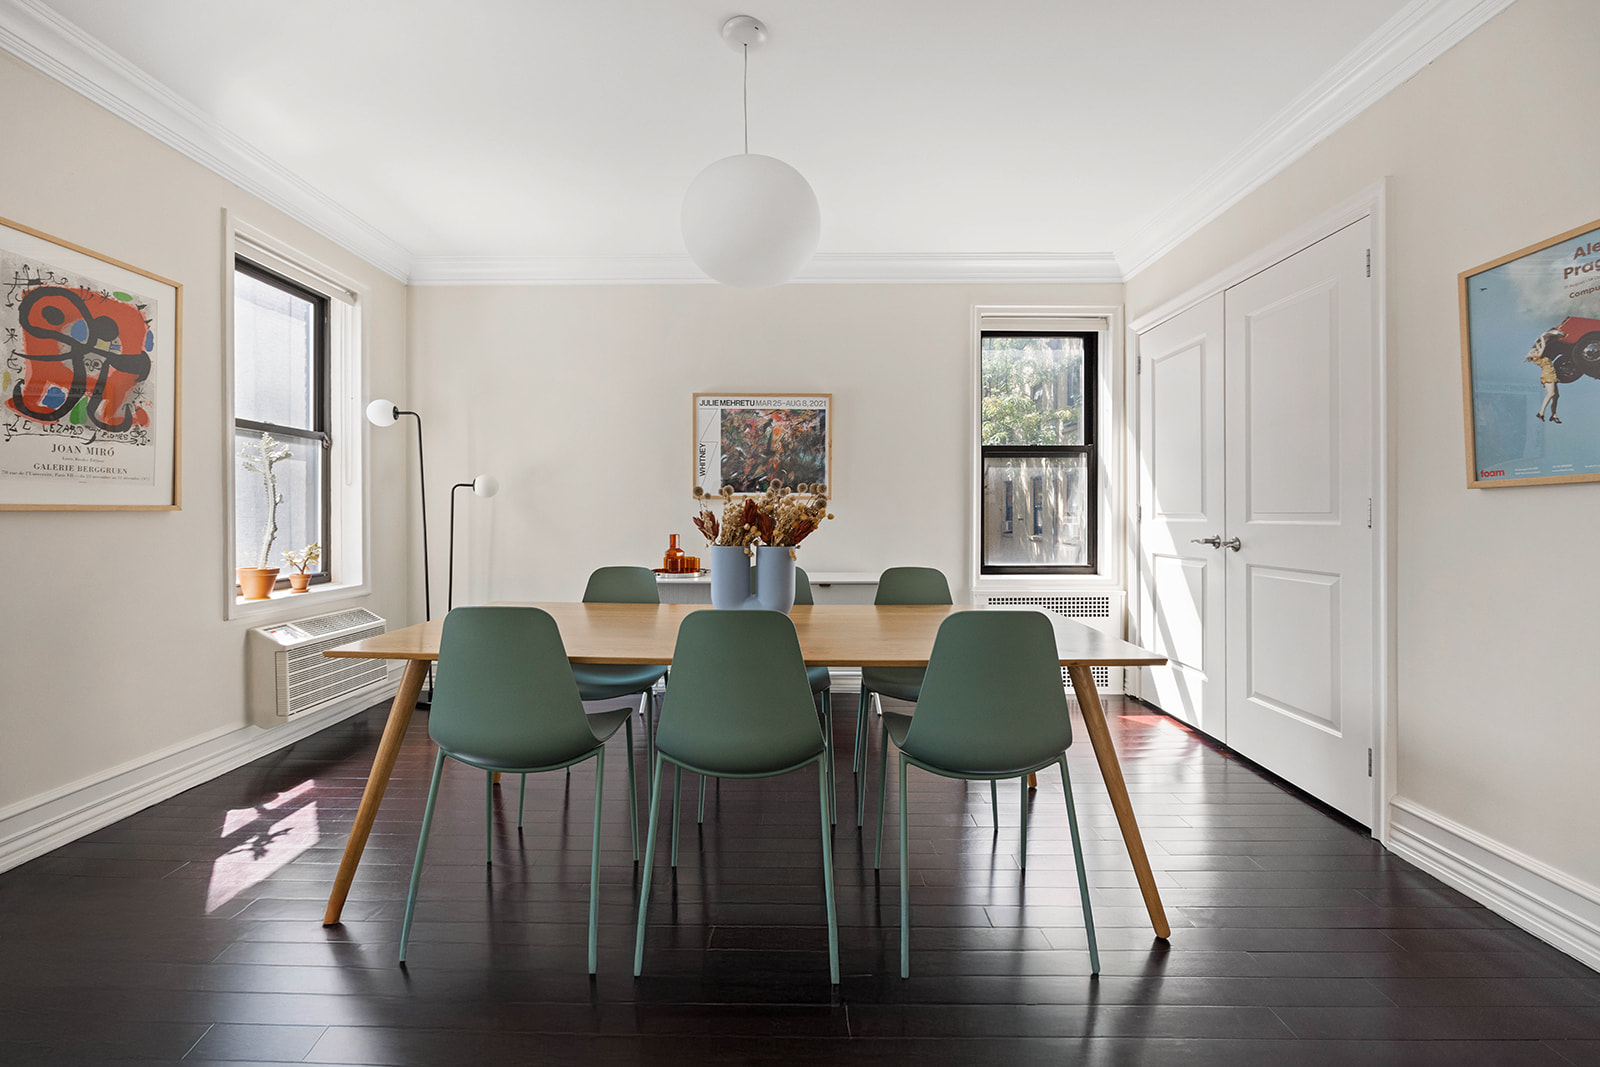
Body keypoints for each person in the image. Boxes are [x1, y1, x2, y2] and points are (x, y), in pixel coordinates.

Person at [1525, 328, 1566, 424]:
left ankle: (1554, 415)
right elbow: (1543, 347)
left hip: (1551, 374)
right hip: (1548, 375)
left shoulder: (1538, 356)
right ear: (1533, 354)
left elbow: (1540, 348)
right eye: (1534, 351)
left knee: (1556, 395)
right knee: (1551, 394)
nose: (1536, 351)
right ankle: (1541, 412)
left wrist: (1537, 341)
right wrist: (1543, 337)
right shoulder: (1536, 357)